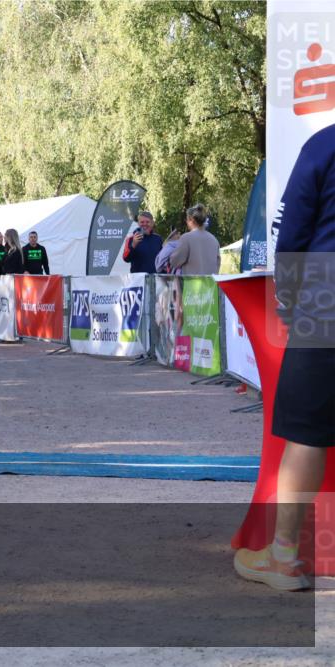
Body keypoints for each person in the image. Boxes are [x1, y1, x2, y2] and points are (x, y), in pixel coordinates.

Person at [234, 123, 334, 592]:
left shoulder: (324, 144)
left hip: (326, 300)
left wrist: (289, 304)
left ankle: (284, 558)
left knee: (307, 435)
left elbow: (292, 232)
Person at [169, 204, 220, 275]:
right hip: (210, 284)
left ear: (191, 220)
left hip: (191, 284)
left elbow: (174, 262)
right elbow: (217, 265)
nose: (186, 222)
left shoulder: (186, 238)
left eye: (186, 219)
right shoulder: (214, 240)